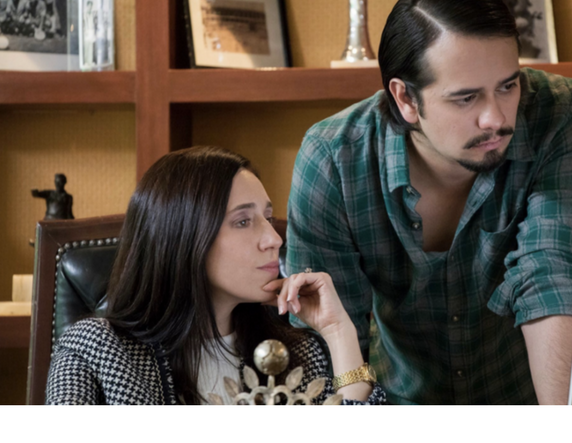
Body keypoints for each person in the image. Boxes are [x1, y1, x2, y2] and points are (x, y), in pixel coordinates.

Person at [286, 0, 572, 405]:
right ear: (406, 98)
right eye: (466, 98)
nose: (495, 118)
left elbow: (552, 273)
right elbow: (327, 339)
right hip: (393, 406)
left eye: (508, 86)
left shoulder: (562, 113)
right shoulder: (333, 158)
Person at [45, 146, 385, 405]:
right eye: (243, 221)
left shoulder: (296, 353)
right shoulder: (94, 349)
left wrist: (338, 332)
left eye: (267, 218)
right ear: (182, 237)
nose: (274, 239)